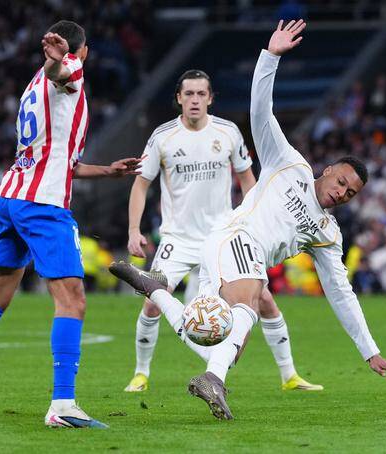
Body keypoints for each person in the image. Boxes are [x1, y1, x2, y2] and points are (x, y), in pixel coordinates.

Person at [110, 20, 386, 420]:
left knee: (217, 340)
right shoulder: (289, 164)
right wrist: (270, 58)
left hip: (227, 252)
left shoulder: (327, 233)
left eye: (350, 193)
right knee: (251, 299)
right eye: (341, 182)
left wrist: (370, 350)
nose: (342, 192)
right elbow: (260, 113)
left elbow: (340, 292)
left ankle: (157, 293)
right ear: (328, 170)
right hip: (235, 237)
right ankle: (212, 380)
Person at [0, 20, 143, 429]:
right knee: (73, 299)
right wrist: (59, 61)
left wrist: (107, 171)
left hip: (11, 196)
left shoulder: (33, 85)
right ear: (84, 51)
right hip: (42, 203)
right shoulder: (68, 68)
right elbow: (62, 72)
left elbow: (62, 160)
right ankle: (63, 405)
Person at [125, 69, 322, 393]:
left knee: (263, 298)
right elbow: (141, 184)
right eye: (189, 94)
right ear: (179, 98)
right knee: (152, 299)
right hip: (176, 238)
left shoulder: (228, 132)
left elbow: (247, 179)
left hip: (222, 238)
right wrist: (134, 229)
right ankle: (141, 373)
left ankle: (290, 376)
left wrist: (255, 226)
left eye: (201, 94)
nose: (195, 100)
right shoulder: (162, 137)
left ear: (210, 98)